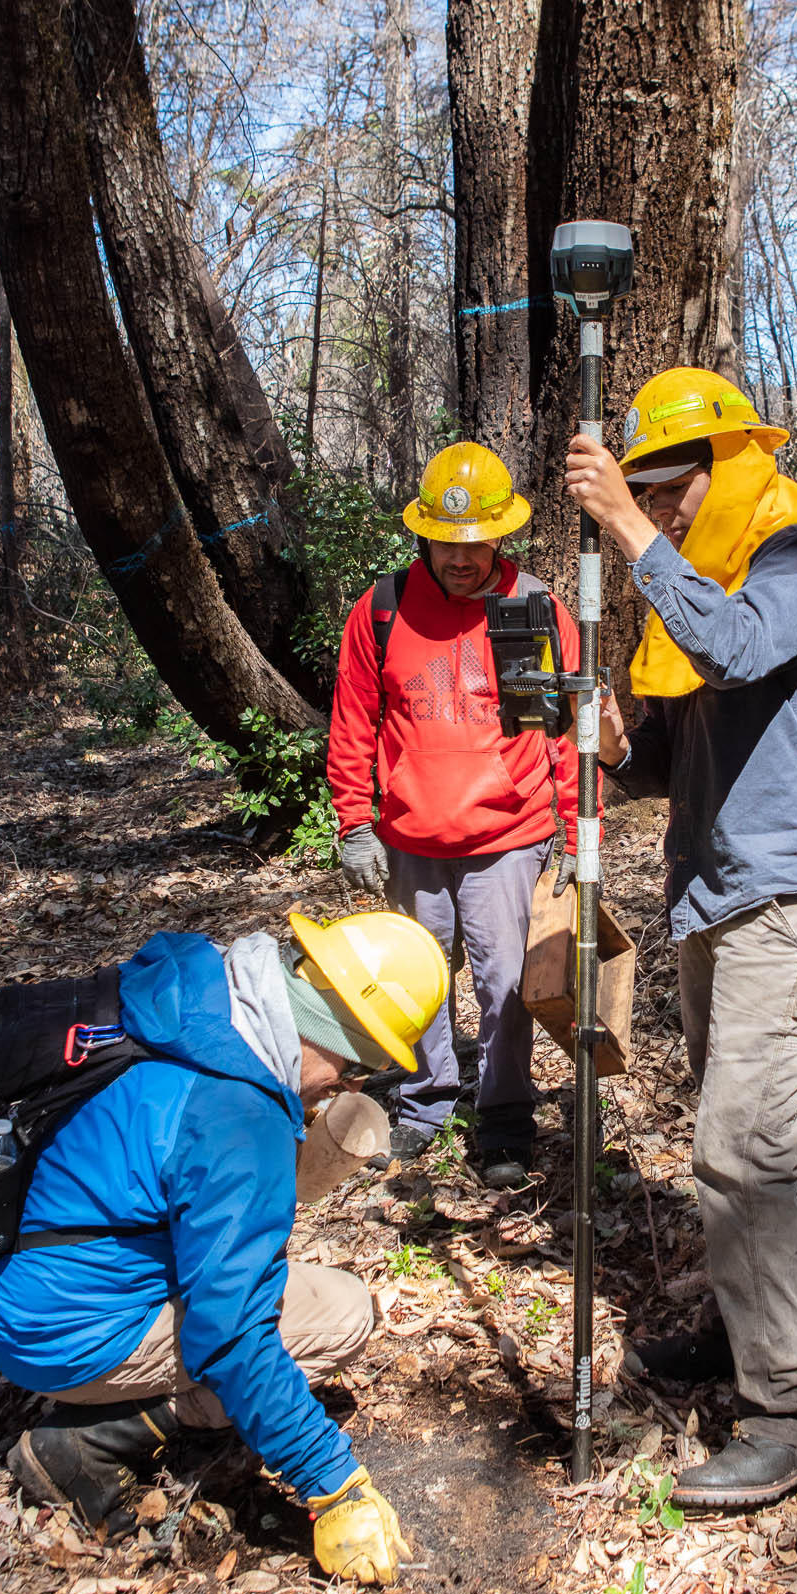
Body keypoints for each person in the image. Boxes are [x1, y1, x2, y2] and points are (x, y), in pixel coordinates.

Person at [564, 369, 797, 1512]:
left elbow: (741, 650)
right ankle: (743, 1330)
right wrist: (610, 745)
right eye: (643, 487)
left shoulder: (796, 561)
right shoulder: (704, 579)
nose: (661, 504)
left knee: (745, 1155)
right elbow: (680, 756)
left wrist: (627, 528)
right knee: (724, 1140)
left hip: (783, 904)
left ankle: (794, 1418)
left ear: (729, 460)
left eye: (670, 484)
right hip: (711, 898)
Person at [0, 910, 449, 1583]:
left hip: (17, 1278)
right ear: (325, 1032)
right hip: (61, 1329)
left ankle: (112, 1386)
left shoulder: (194, 999)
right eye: (349, 1072)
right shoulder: (237, 1110)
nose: (339, 1091)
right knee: (341, 1314)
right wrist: (335, 1486)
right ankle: (94, 1439)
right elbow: (231, 1335)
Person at [327, 440, 580, 1190]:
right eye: (447, 541)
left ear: (500, 534)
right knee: (416, 981)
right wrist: (353, 821)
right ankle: (424, 1102)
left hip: (510, 834)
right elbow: (352, 722)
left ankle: (504, 1118)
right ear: (423, 533)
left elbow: (565, 722)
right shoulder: (381, 609)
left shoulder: (534, 608)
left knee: (506, 985)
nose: (461, 557)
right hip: (410, 836)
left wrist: (570, 822)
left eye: (475, 542)